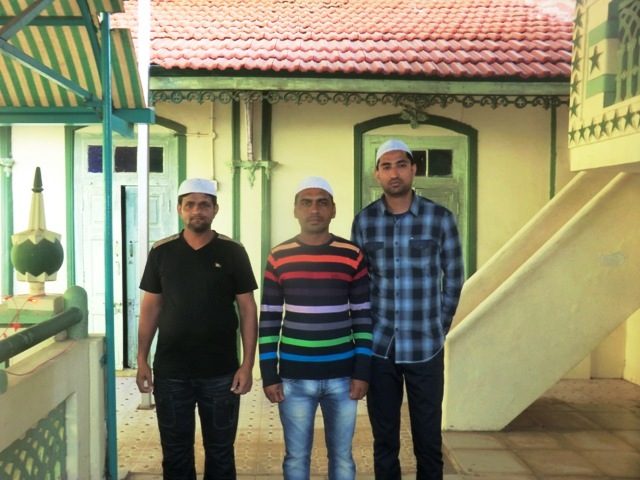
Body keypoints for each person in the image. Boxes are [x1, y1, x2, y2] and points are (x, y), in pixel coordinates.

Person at [351, 139, 465, 480]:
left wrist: (438, 326)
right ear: (377, 174)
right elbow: (358, 283)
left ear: (414, 169)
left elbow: (454, 277)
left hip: (425, 346)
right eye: (386, 166)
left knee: (428, 438)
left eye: (401, 164)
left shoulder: (440, 218)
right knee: (384, 439)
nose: (394, 173)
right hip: (380, 347)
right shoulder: (365, 221)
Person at [136, 178, 258, 480]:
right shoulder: (162, 251)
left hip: (221, 373)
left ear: (215, 209)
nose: (197, 211)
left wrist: (247, 364)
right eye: (189, 204)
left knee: (220, 453)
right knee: (175, 454)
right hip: (171, 373)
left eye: (204, 204)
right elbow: (151, 308)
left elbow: (247, 309)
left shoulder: (233, 251)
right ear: (180, 209)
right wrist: (141, 359)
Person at [259, 176, 373, 480]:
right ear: (295, 210)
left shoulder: (352, 254)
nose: (314, 209)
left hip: (343, 377)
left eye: (322, 202)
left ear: (333, 210)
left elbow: (363, 316)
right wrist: (269, 374)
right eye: (306, 203)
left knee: (343, 457)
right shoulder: (278, 256)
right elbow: (269, 318)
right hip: (294, 377)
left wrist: (362, 372)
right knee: (296, 458)